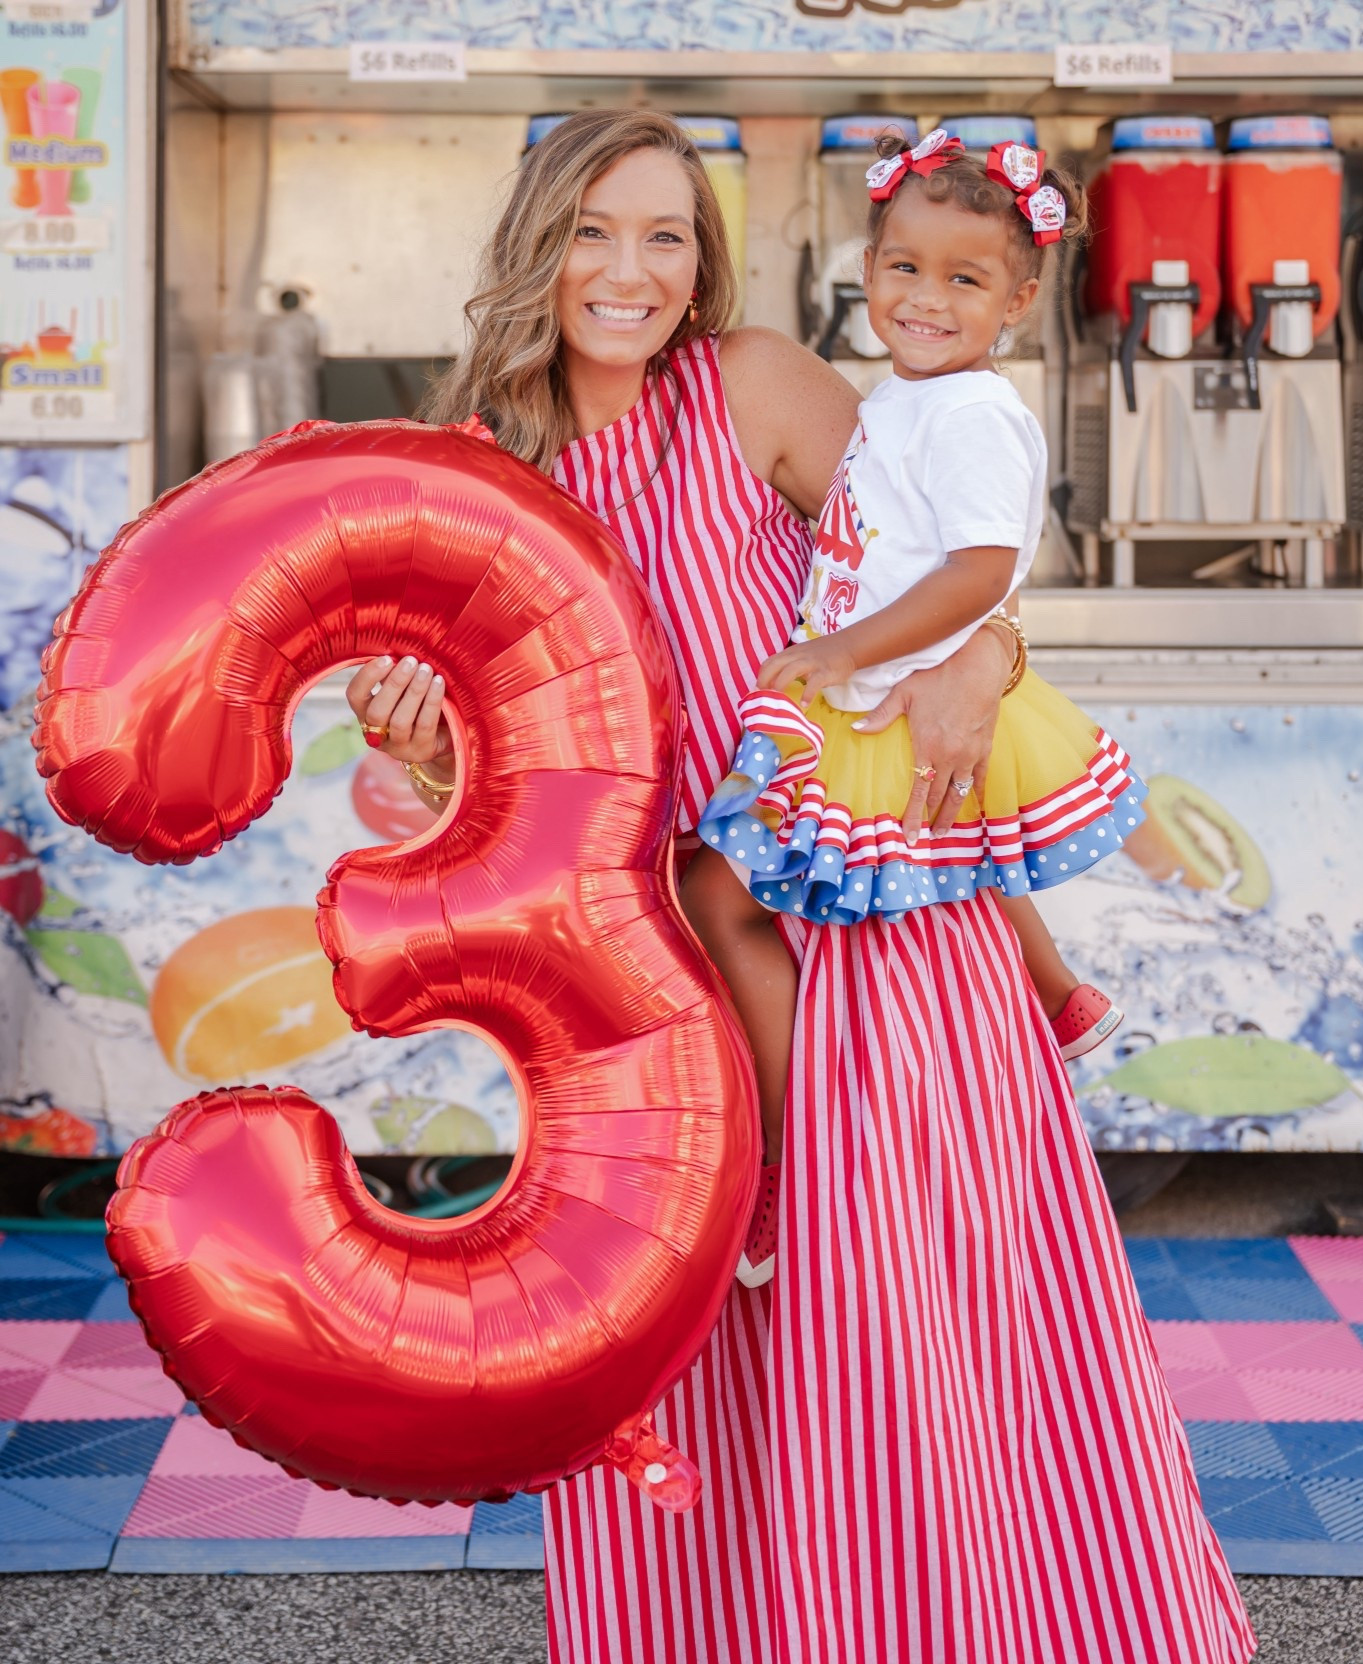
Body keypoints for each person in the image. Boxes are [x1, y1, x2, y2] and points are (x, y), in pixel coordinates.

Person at [346, 111, 1254, 1664]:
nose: (627, 273)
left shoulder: (748, 380)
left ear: (704, 259)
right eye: (590, 232)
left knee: (919, 1328)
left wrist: (985, 661)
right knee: (708, 1346)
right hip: (653, 966)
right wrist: (422, 747)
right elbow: (499, 793)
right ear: (531, 245)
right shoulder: (479, 472)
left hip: (871, 920)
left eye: (665, 236)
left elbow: (949, 560)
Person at [686, 128, 1133, 1280]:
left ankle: (785, 1169)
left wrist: (837, 650)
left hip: (883, 696)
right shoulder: (904, 395)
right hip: (873, 682)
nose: (922, 298)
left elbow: (984, 572)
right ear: (867, 263)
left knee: (718, 891)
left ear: (1019, 300)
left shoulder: (970, 413)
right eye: (901, 267)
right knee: (975, 857)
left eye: (962, 278)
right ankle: (1062, 1000)